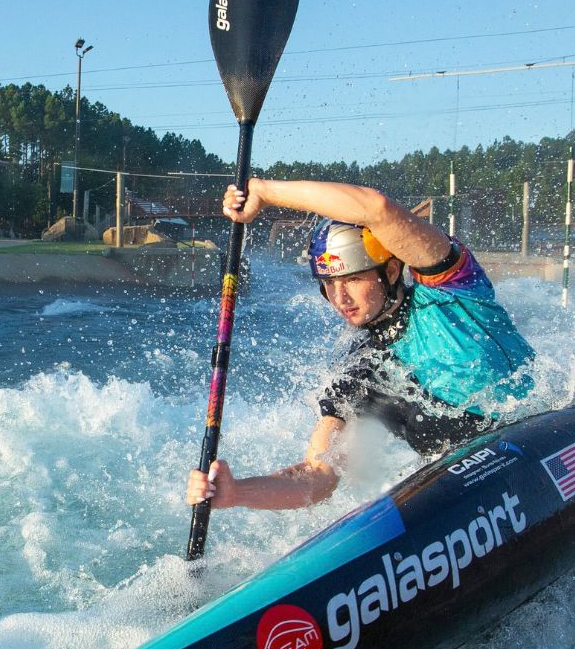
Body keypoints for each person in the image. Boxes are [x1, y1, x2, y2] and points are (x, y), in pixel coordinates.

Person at [185, 177, 536, 512]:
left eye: (352, 279)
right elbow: (317, 476)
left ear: (392, 271)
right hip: (469, 479)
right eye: (329, 284)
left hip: (536, 434)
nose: (340, 298)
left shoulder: (450, 287)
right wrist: (237, 492)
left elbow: (376, 208)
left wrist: (265, 192)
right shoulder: (359, 368)